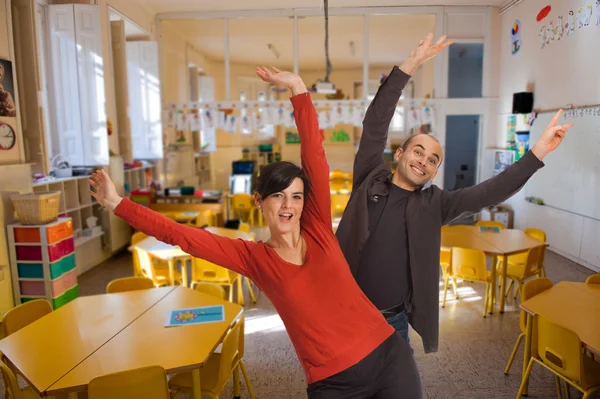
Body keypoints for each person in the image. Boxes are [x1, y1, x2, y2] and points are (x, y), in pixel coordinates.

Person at [89, 67, 423, 398]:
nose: (287, 205)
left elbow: (314, 156)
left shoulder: (318, 227)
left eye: (295, 195)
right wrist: (118, 204)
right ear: (259, 201)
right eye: (277, 195)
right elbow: (183, 236)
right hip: (331, 381)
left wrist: (297, 88)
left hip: (386, 354)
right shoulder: (253, 258)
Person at [335, 33, 574, 355]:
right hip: (343, 311)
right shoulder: (369, 178)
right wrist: (410, 65)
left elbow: (493, 189)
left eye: (433, 160)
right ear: (401, 153)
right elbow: (376, 122)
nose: (424, 160)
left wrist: (539, 150)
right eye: (418, 151)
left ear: (435, 172)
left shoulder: (437, 203)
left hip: (392, 321)